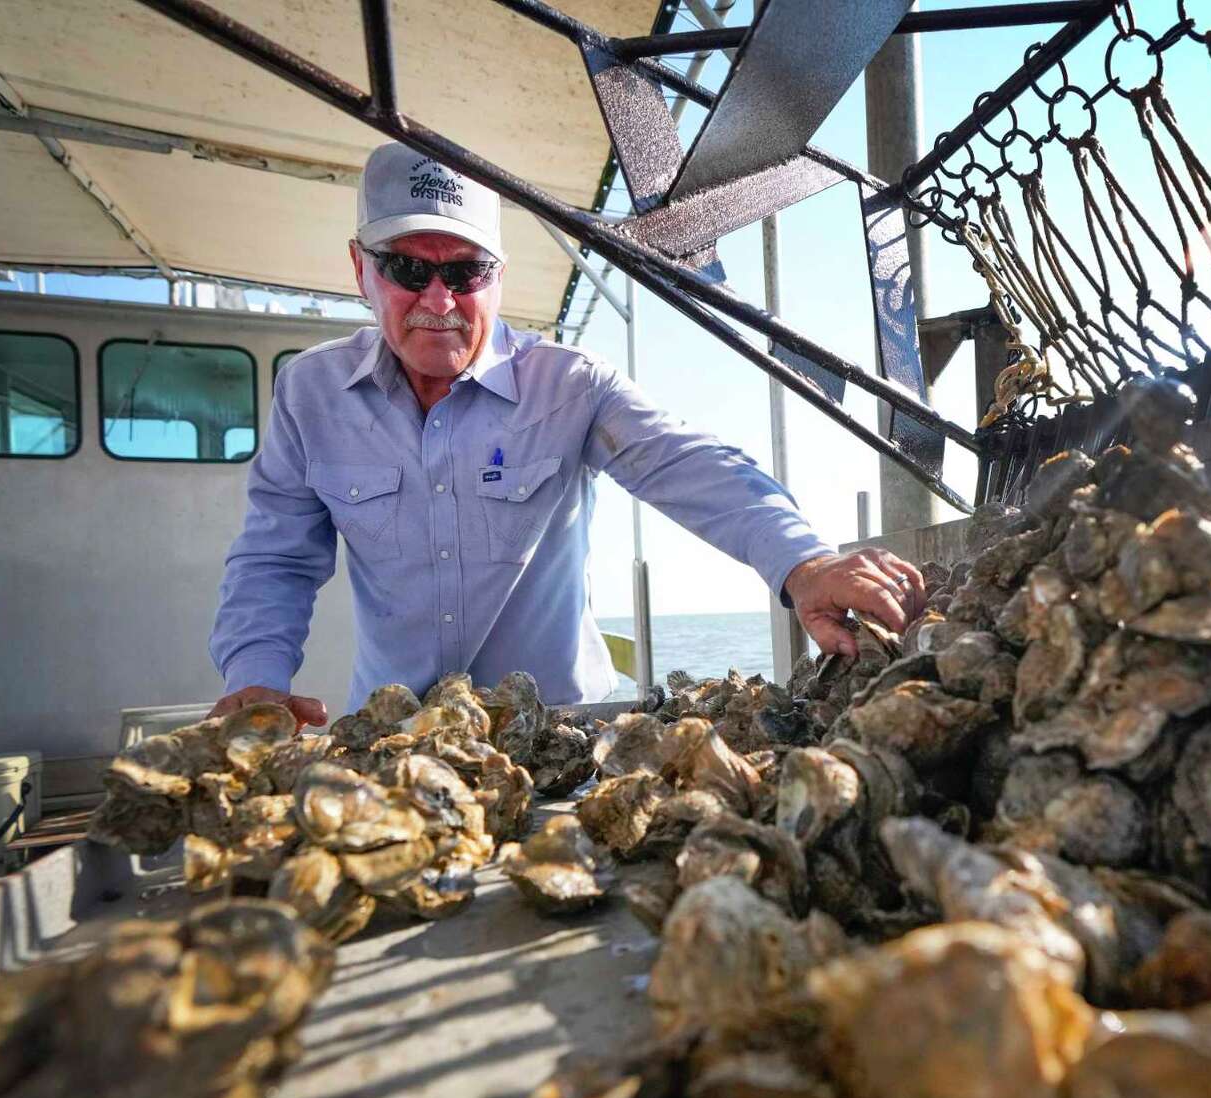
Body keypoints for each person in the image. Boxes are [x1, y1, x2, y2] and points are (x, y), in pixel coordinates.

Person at [208, 142, 924, 725]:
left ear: (498, 276)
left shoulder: (572, 384)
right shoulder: (310, 395)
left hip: (561, 743)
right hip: (396, 741)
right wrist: (257, 679)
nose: (439, 299)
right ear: (361, 268)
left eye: (465, 270)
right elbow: (274, 559)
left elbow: (690, 464)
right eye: (408, 268)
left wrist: (803, 565)